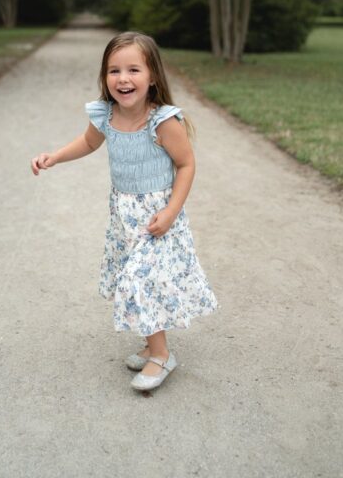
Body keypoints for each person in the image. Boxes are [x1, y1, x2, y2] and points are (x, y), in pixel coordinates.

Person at [31, 31, 217, 391]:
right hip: (124, 218)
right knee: (135, 281)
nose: (123, 79)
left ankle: (162, 356)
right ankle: (153, 344)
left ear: (152, 77)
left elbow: (187, 165)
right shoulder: (106, 115)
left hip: (156, 219)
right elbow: (88, 142)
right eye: (114, 71)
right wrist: (54, 156)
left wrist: (172, 212)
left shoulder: (162, 122)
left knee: (141, 283)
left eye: (133, 69)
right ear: (105, 77)